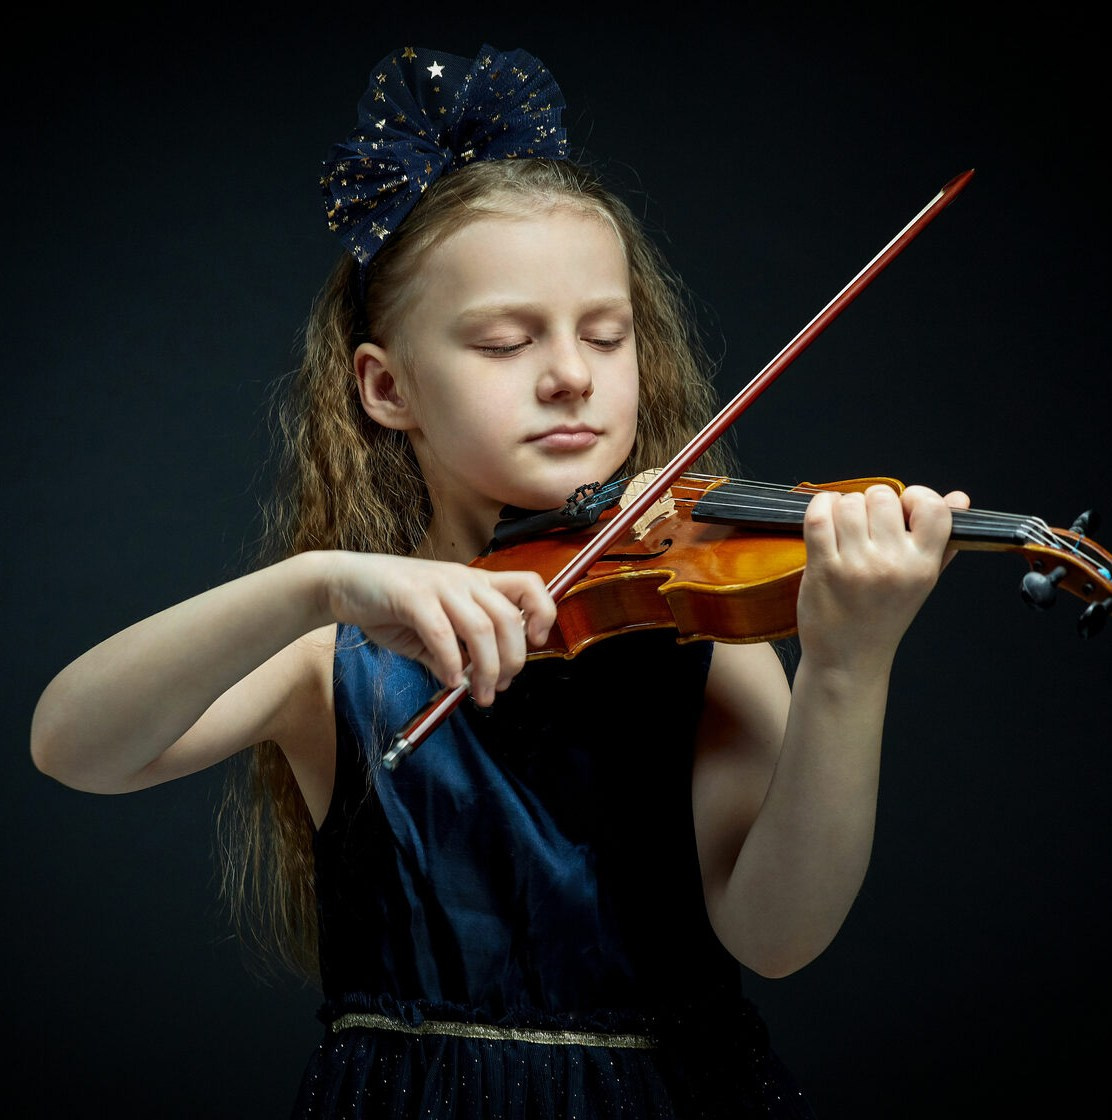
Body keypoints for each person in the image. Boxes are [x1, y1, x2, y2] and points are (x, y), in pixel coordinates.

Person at [30, 43, 968, 1119]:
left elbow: (777, 934)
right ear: (388, 389)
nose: (571, 372)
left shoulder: (699, 630)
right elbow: (73, 744)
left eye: (605, 336)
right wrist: (315, 584)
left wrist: (851, 667)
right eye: (506, 341)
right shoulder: (334, 656)